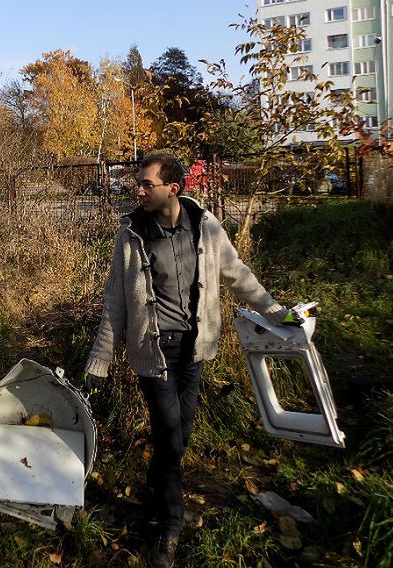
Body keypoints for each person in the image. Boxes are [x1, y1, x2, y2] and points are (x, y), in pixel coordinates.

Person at [84, 154, 296, 568]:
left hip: (196, 349)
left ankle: (154, 489)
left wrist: (275, 312)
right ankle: (170, 527)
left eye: (146, 184)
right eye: (138, 184)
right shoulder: (130, 235)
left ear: (173, 189)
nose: (138, 190)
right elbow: (115, 301)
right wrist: (100, 361)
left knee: (178, 435)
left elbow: (237, 273)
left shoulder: (206, 226)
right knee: (169, 433)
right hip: (153, 352)